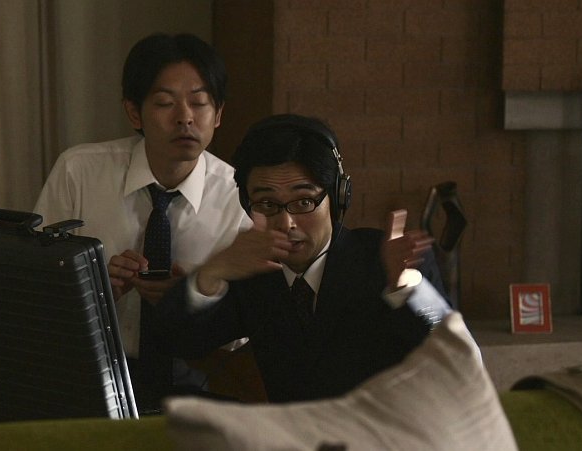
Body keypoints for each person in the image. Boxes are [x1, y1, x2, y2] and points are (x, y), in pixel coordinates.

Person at [152, 114, 453, 403]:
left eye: (305, 201)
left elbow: (451, 355)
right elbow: (180, 340)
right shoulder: (254, 274)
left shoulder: (387, 260)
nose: (286, 222)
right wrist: (211, 273)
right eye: (267, 203)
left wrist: (406, 290)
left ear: (337, 198)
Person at [33, 33, 251, 410]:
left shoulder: (238, 195)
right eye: (165, 103)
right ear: (134, 113)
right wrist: (95, 290)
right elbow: (34, 288)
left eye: (199, 103)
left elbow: (244, 334)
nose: (185, 117)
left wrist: (197, 296)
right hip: (86, 369)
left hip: (196, 376)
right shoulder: (79, 172)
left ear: (218, 115)